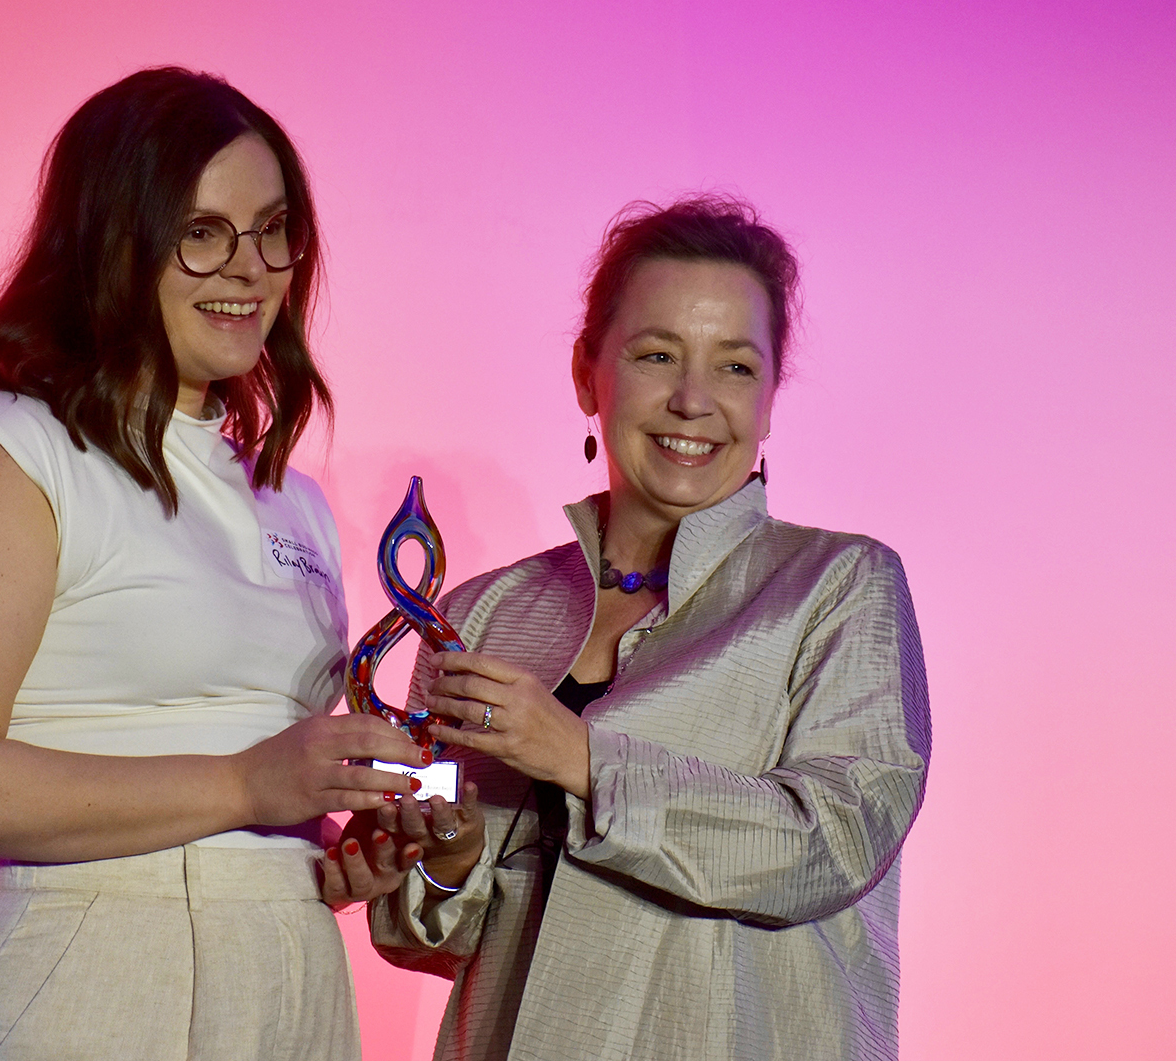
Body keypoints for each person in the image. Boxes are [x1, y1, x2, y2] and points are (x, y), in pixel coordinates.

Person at [0, 67, 429, 1061]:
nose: (249, 267)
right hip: (78, 979)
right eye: (201, 231)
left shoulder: (288, 494)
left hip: (286, 984)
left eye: (273, 228)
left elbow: (244, 770)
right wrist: (252, 787)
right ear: (109, 244)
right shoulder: (6, 452)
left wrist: (326, 849)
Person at [323, 197, 931, 1060]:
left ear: (769, 397)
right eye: (656, 356)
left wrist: (577, 756)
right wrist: (447, 855)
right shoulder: (480, 613)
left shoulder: (841, 587)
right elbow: (435, 937)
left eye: (735, 368)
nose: (693, 401)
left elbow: (830, 845)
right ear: (588, 373)